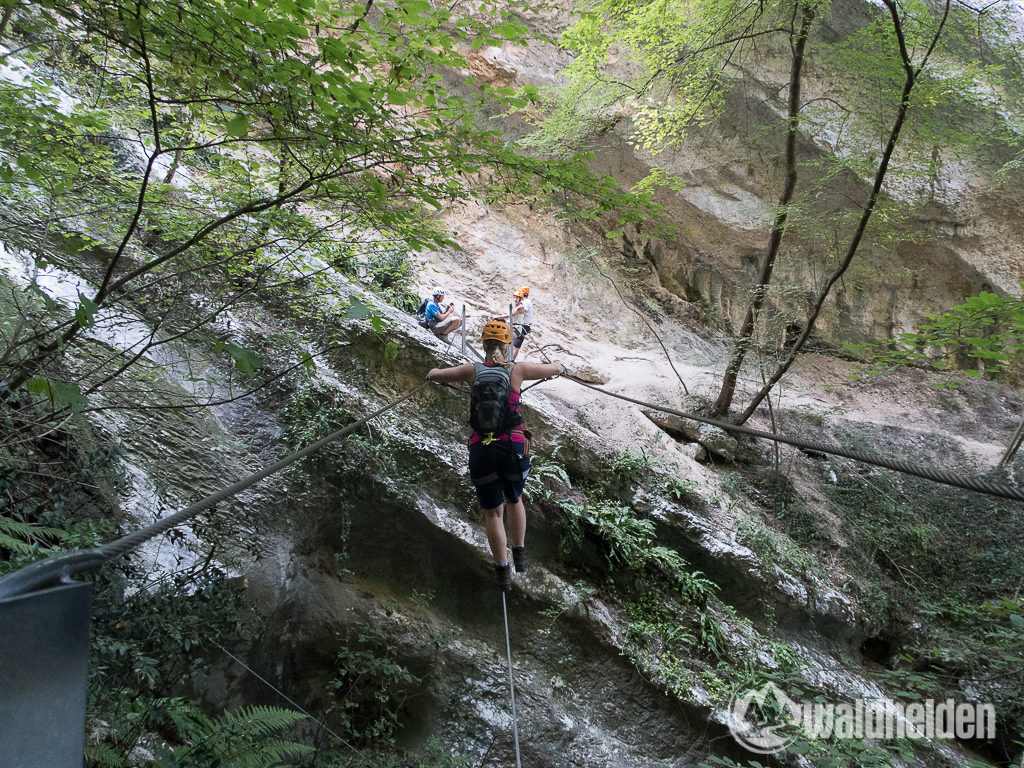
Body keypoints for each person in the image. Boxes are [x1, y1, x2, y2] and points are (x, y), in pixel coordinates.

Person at [426, 320, 566, 591]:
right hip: (512, 447)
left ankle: (502, 572)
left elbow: (437, 373)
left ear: (483, 345)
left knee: (492, 513)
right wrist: (561, 366)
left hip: (482, 450)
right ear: (508, 345)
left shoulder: (472, 371)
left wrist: (432, 374)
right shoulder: (519, 369)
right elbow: (553, 369)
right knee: (514, 499)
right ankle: (520, 553)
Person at [508, 285, 533, 361]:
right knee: (515, 344)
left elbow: (521, 313)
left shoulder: (525, 302)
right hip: (525, 325)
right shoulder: (528, 302)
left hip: (523, 326)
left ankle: (511, 360)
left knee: (516, 345)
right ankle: (509, 359)